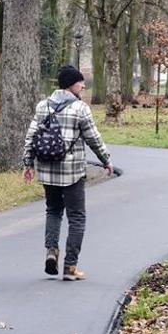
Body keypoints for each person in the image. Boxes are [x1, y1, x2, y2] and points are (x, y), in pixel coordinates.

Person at [22, 65, 113, 281]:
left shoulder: (43, 106)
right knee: (77, 217)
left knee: (53, 211)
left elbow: (31, 136)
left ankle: (51, 251)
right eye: (80, 82)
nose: (83, 86)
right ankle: (70, 266)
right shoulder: (80, 108)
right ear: (72, 84)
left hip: (47, 170)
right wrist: (106, 160)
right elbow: (93, 138)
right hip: (72, 171)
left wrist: (28, 163)